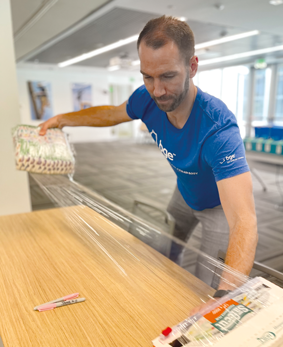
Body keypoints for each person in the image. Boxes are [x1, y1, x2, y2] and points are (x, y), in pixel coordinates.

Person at [40, 16, 258, 296]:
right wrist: (63, 119)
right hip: (184, 192)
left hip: (218, 208)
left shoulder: (217, 129)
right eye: (147, 76)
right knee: (162, 254)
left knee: (212, 287)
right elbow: (110, 114)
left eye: (168, 76)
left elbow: (244, 219)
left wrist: (225, 295)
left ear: (192, 67)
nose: (157, 90)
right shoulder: (147, 99)